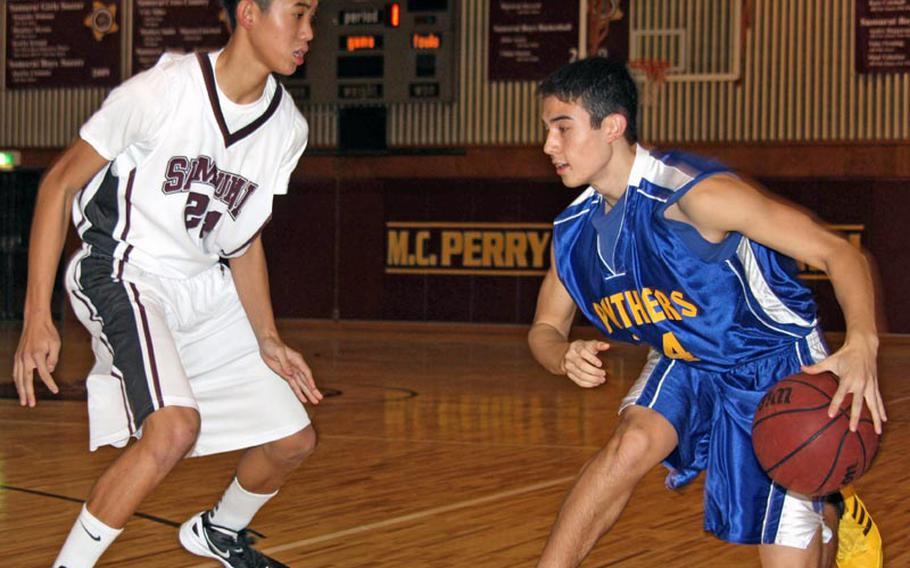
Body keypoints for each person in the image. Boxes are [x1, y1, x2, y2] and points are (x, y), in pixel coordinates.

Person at [528, 57, 886, 568]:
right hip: (688, 357)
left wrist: (862, 343)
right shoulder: (575, 230)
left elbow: (840, 253)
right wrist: (561, 354)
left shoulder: (696, 197)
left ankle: (829, 515)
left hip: (774, 361)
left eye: (562, 128)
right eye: (546, 130)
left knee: (789, 547)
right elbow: (544, 328)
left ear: (612, 126)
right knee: (630, 445)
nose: (549, 146)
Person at [11, 0, 321, 565]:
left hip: (203, 283)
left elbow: (245, 242)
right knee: (173, 429)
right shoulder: (163, 90)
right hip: (123, 269)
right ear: (249, 13)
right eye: (298, 14)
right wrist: (37, 314)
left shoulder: (288, 129)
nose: (309, 32)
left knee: (292, 440)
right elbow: (57, 185)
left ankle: (218, 531)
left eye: (313, 17)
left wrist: (269, 337)